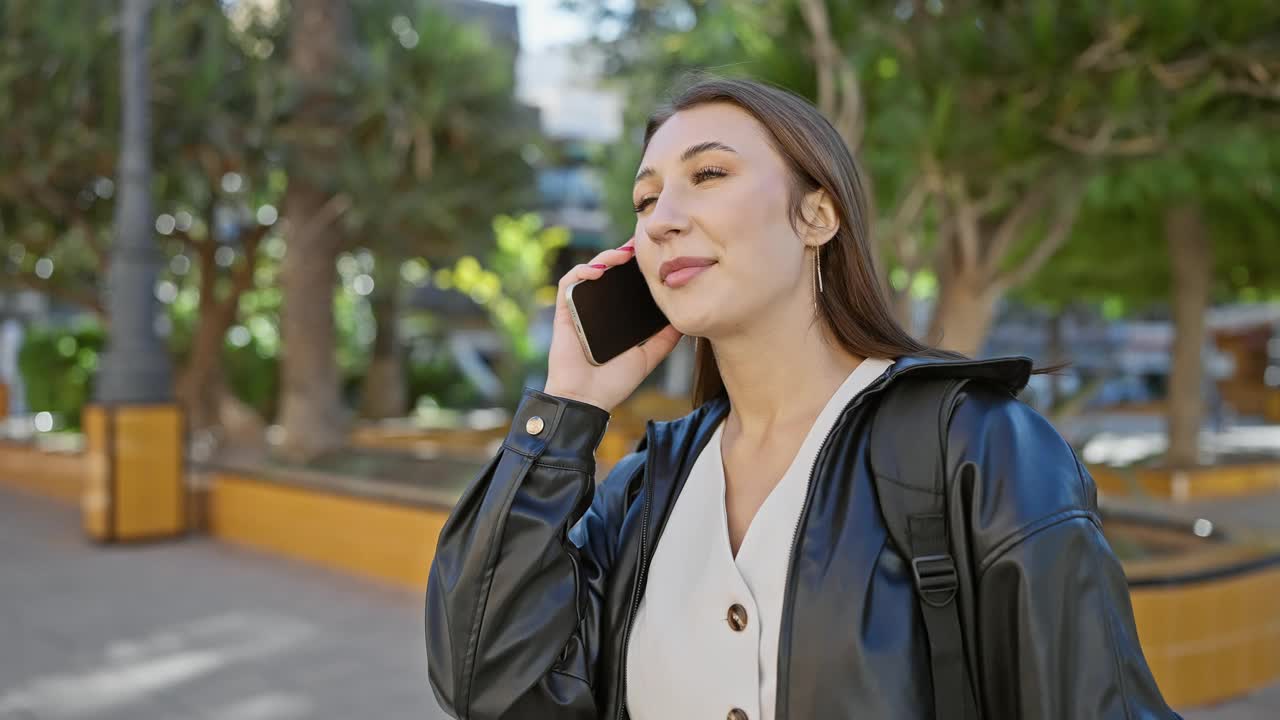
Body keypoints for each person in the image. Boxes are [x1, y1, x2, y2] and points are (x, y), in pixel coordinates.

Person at [425, 76, 1177, 719]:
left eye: (709, 175)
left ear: (818, 214)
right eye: (645, 199)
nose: (662, 219)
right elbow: (488, 685)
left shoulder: (977, 451)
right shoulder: (644, 492)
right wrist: (566, 407)